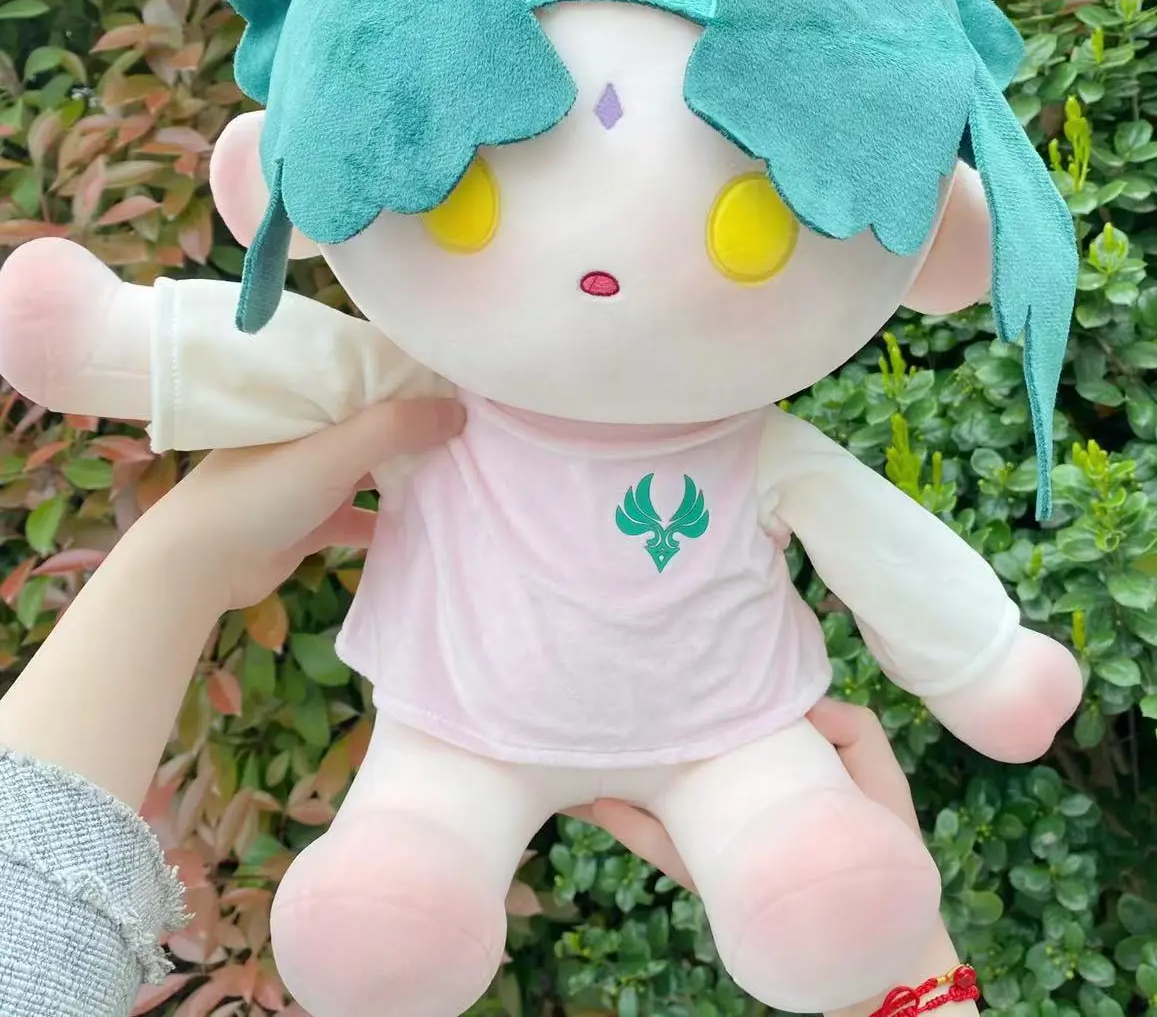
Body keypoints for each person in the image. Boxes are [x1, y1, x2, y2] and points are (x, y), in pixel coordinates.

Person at [0, 397, 977, 1017]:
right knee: (384, 918)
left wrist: (182, 563)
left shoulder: (746, 439)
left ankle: (821, 889)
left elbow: (31, 936)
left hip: (731, 737)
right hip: (460, 734)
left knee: (828, 892)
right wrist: (908, 987)